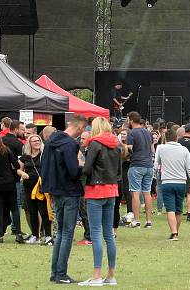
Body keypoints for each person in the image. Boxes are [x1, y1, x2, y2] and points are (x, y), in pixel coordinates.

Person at [41, 115, 88, 285]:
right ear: (81, 128)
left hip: (54, 190)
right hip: (69, 191)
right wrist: (84, 166)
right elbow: (73, 171)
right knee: (67, 233)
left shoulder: (50, 141)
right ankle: (61, 273)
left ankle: (56, 272)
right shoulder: (70, 144)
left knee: (60, 232)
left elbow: (45, 166)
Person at [80, 117, 123, 286]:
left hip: (95, 190)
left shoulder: (95, 144)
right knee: (109, 235)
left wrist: (81, 166)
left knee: (96, 233)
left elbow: (87, 169)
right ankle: (110, 275)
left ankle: (96, 275)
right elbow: (119, 171)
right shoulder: (117, 145)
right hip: (111, 190)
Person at [156, 128, 190, 240]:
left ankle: (173, 233)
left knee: (170, 209)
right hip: (181, 182)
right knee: (179, 210)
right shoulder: (184, 150)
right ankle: (176, 232)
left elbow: (157, 165)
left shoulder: (161, 149)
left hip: (167, 182)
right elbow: (189, 169)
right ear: (177, 138)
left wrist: (157, 176)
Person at [20, 134, 51, 245]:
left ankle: (48, 236)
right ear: (30, 143)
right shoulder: (26, 156)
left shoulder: (45, 155)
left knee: (44, 212)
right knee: (32, 212)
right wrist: (23, 173)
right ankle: (35, 235)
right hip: (28, 187)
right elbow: (18, 169)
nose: (37, 142)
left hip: (41, 187)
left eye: (38, 140)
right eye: (34, 141)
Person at [125, 112, 154, 228]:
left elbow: (129, 150)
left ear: (131, 120)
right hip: (148, 165)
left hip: (136, 165)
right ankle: (149, 221)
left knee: (135, 193)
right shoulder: (148, 133)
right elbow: (151, 149)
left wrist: (125, 155)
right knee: (147, 193)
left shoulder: (131, 133)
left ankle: (136, 220)